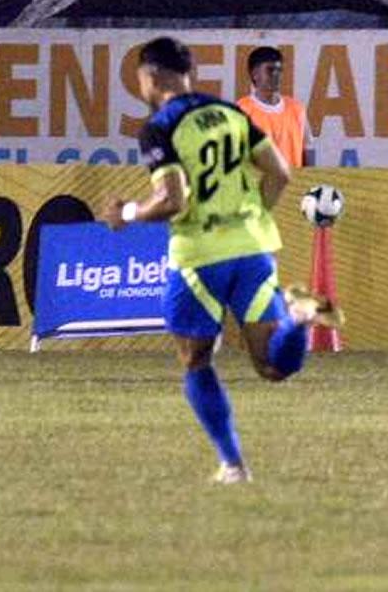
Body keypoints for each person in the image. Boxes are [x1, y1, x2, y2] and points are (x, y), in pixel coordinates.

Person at [102, 37, 340, 484]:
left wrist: (128, 213)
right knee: (272, 366)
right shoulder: (231, 113)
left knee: (196, 360)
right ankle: (298, 320)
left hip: (200, 258)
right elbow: (280, 172)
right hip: (252, 249)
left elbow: (172, 199)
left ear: (151, 76)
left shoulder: (160, 126)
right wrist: (251, 215)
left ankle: (233, 464)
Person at [237, 46, 310, 167]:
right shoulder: (240, 111)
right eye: (270, 70)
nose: (276, 75)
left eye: (279, 70)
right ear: (255, 74)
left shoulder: (298, 110)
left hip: (294, 179)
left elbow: (305, 155)